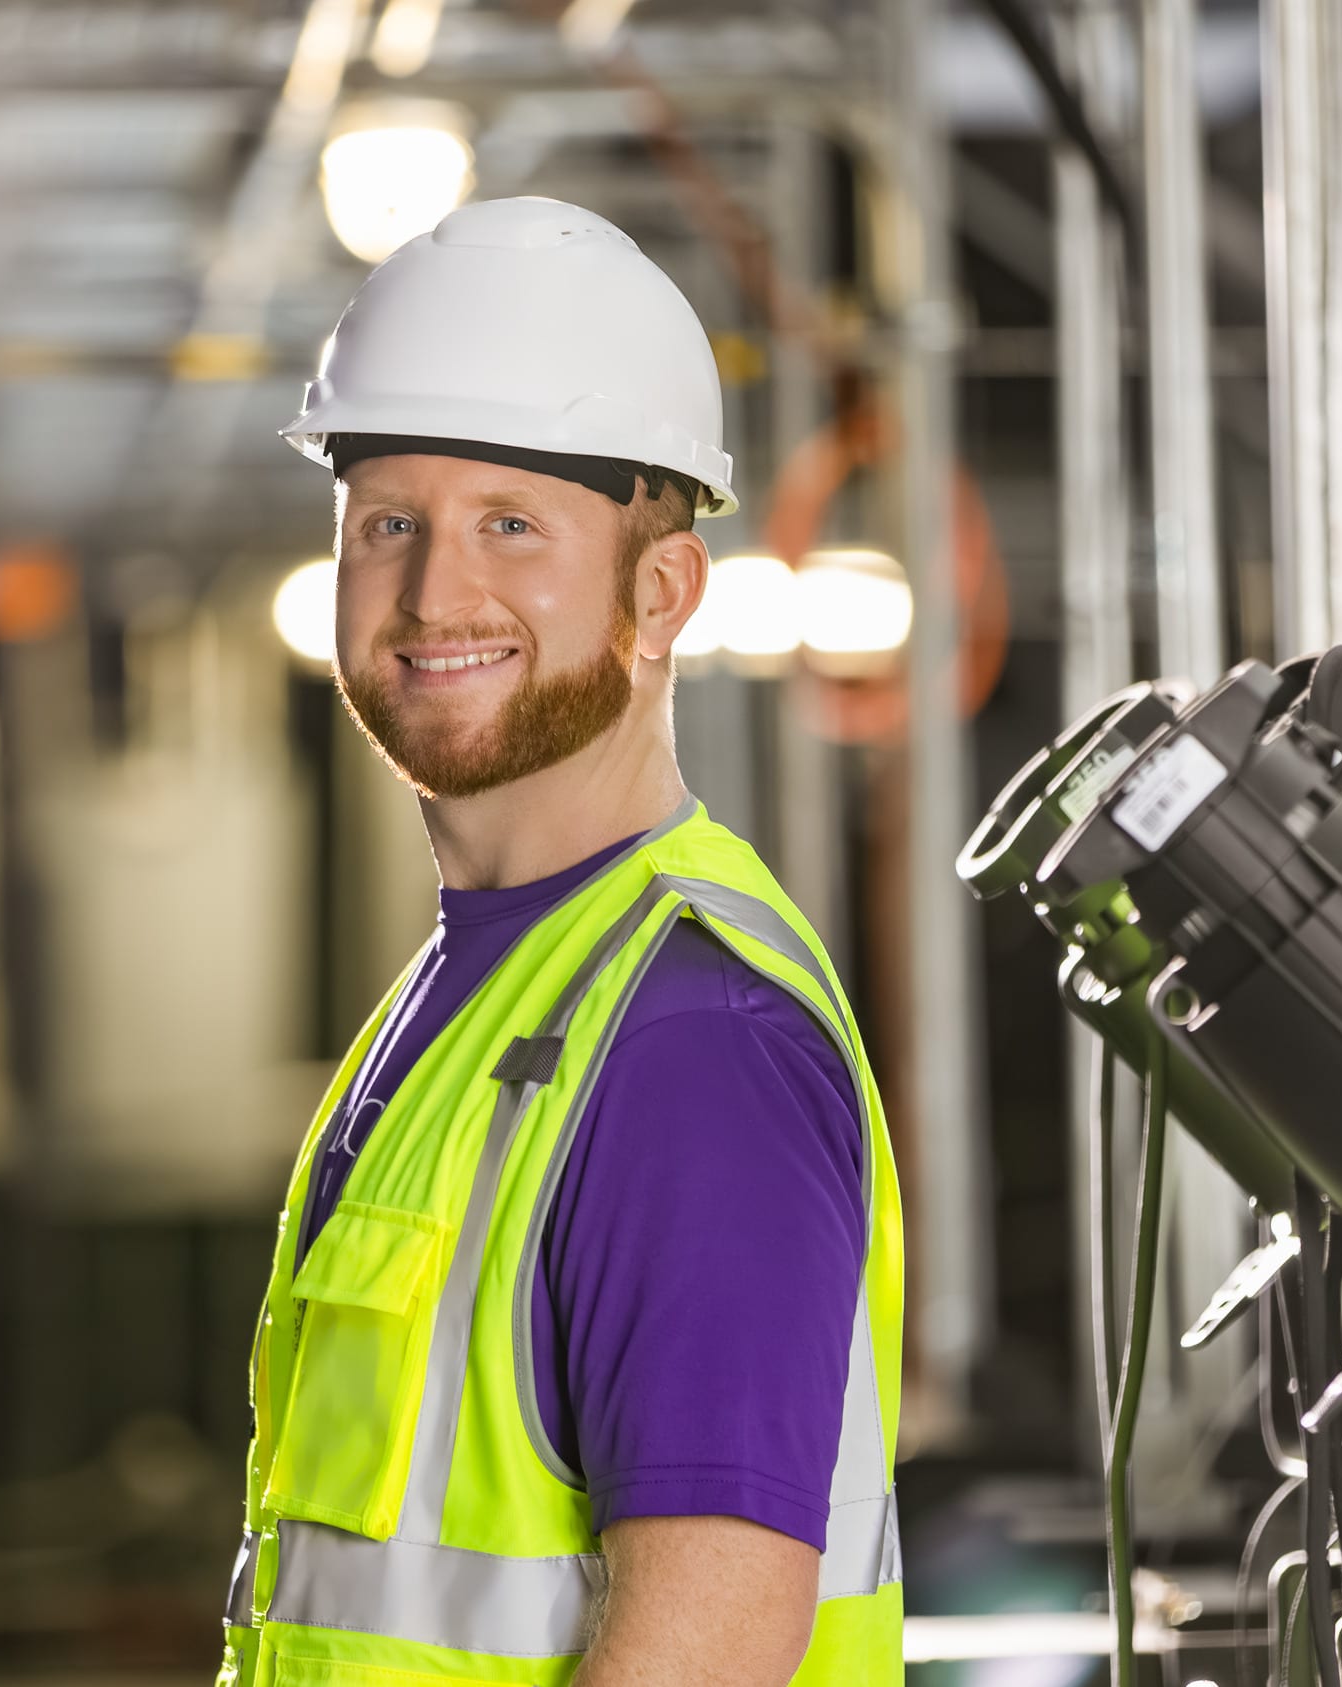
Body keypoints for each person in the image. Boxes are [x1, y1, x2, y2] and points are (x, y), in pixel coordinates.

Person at [215, 197, 903, 1687]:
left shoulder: (687, 1041)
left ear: (659, 596)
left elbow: (706, 1651)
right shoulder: (468, 998)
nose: (432, 594)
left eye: (510, 527)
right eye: (389, 522)